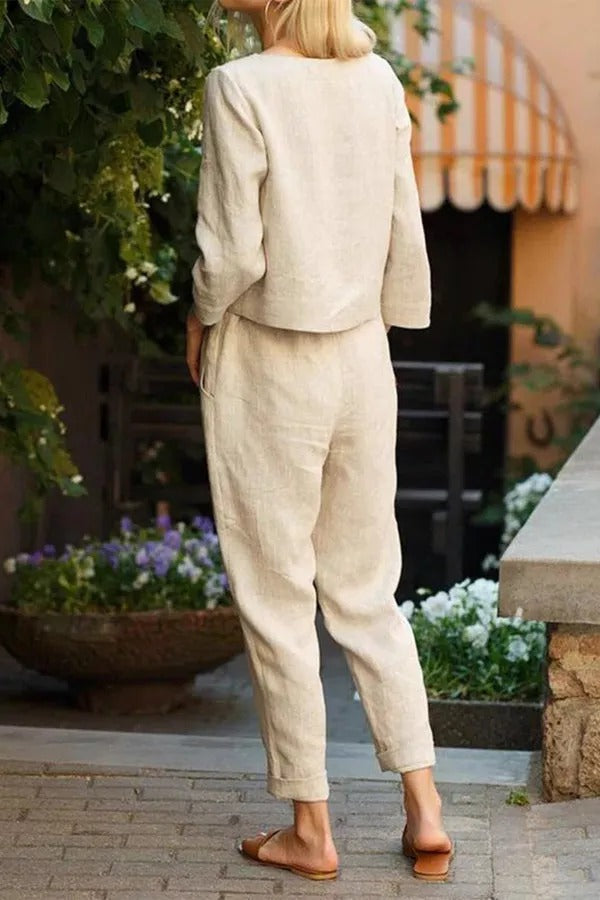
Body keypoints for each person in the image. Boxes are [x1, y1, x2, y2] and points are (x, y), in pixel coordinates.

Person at [185, 0, 453, 884]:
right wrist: (386, 322)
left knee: (277, 597)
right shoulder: (377, 81)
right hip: (362, 358)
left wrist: (200, 315)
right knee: (368, 591)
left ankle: (311, 828)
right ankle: (425, 809)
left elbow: (232, 250)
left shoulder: (239, 85)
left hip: (270, 363)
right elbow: (404, 228)